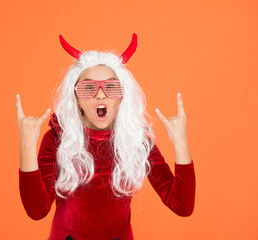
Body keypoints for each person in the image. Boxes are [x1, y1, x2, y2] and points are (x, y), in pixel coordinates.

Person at [16, 34, 196, 240]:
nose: (100, 95)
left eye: (111, 87)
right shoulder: (58, 138)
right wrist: (27, 146)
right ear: (76, 99)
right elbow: (37, 211)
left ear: (121, 98)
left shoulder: (136, 140)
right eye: (88, 88)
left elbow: (182, 206)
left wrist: (181, 144)